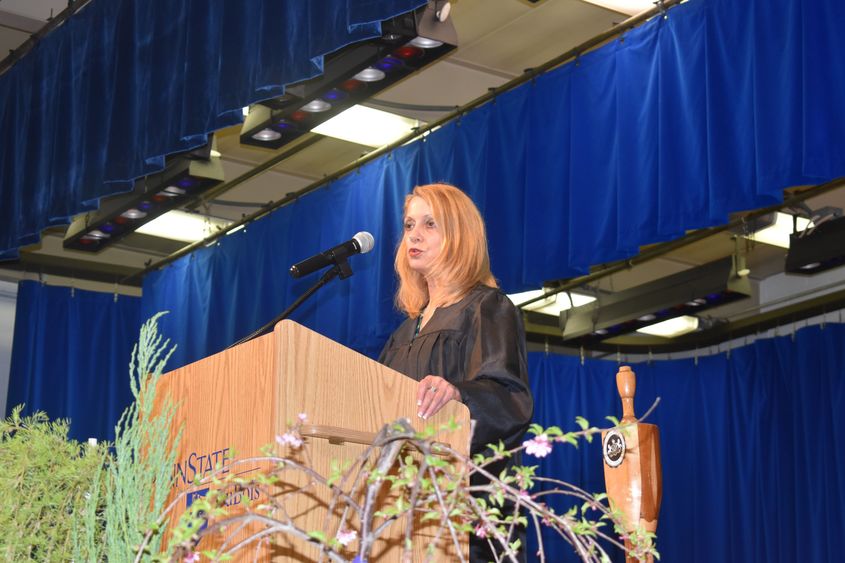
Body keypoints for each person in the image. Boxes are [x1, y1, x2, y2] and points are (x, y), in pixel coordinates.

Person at [378, 182, 534, 561]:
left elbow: (510, 399)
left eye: (430, 224)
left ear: (459, 235)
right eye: (410, 224)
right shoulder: (402, 335)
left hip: (468, 520)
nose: (414, 234)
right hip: (406, 522)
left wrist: (459, 395)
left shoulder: (487, 308)